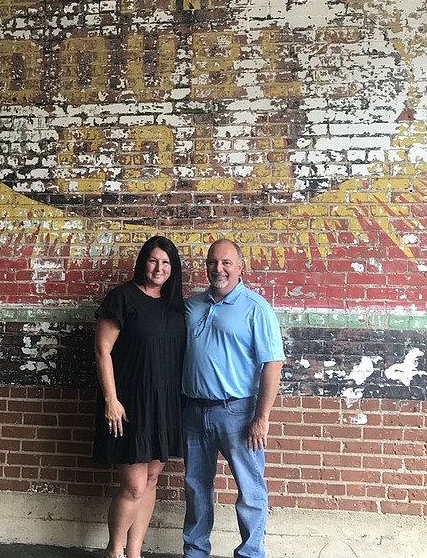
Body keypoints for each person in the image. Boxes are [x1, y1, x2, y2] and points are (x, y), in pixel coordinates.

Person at [181, 239, 285, 558]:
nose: (218, 269)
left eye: (226, 263)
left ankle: (251, 553)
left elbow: (273, 363)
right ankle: (195, 552)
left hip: (238, 413)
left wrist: (261, 417)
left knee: (250, 490)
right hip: (193, 411)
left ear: (241, 267)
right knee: (197, 489)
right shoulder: (191, 306)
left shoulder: (256, 308)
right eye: (213, 262)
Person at [92, 235, 186, 558]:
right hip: (129, 404)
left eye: (165, 262)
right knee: (133, 485)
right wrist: (110, 400)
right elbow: (102, 350)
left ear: (173, 269)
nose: (158, 268)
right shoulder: (123, 298)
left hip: (164, 405)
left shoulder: (176, 307)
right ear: (142, 262)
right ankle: (114, 550)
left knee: (151, 480)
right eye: (153, 260)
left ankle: (134, 552)